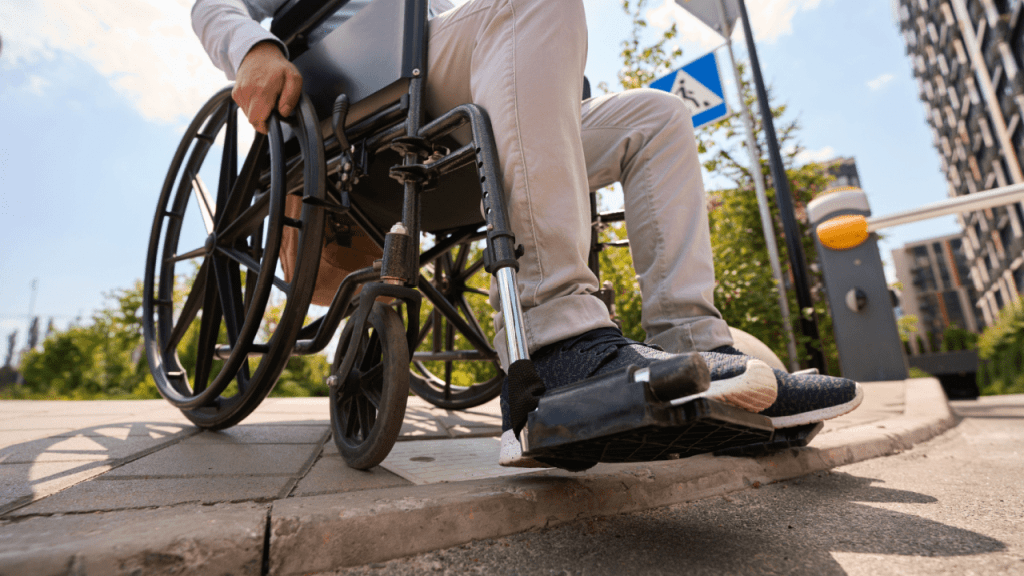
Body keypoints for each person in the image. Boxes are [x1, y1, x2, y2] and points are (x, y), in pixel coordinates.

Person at [191, 0, 862, 467]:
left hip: (435, 89)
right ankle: (561, 344)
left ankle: (699, 357)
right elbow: (212, 5)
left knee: (657, 117)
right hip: (356, 107)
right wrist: (252, 46)